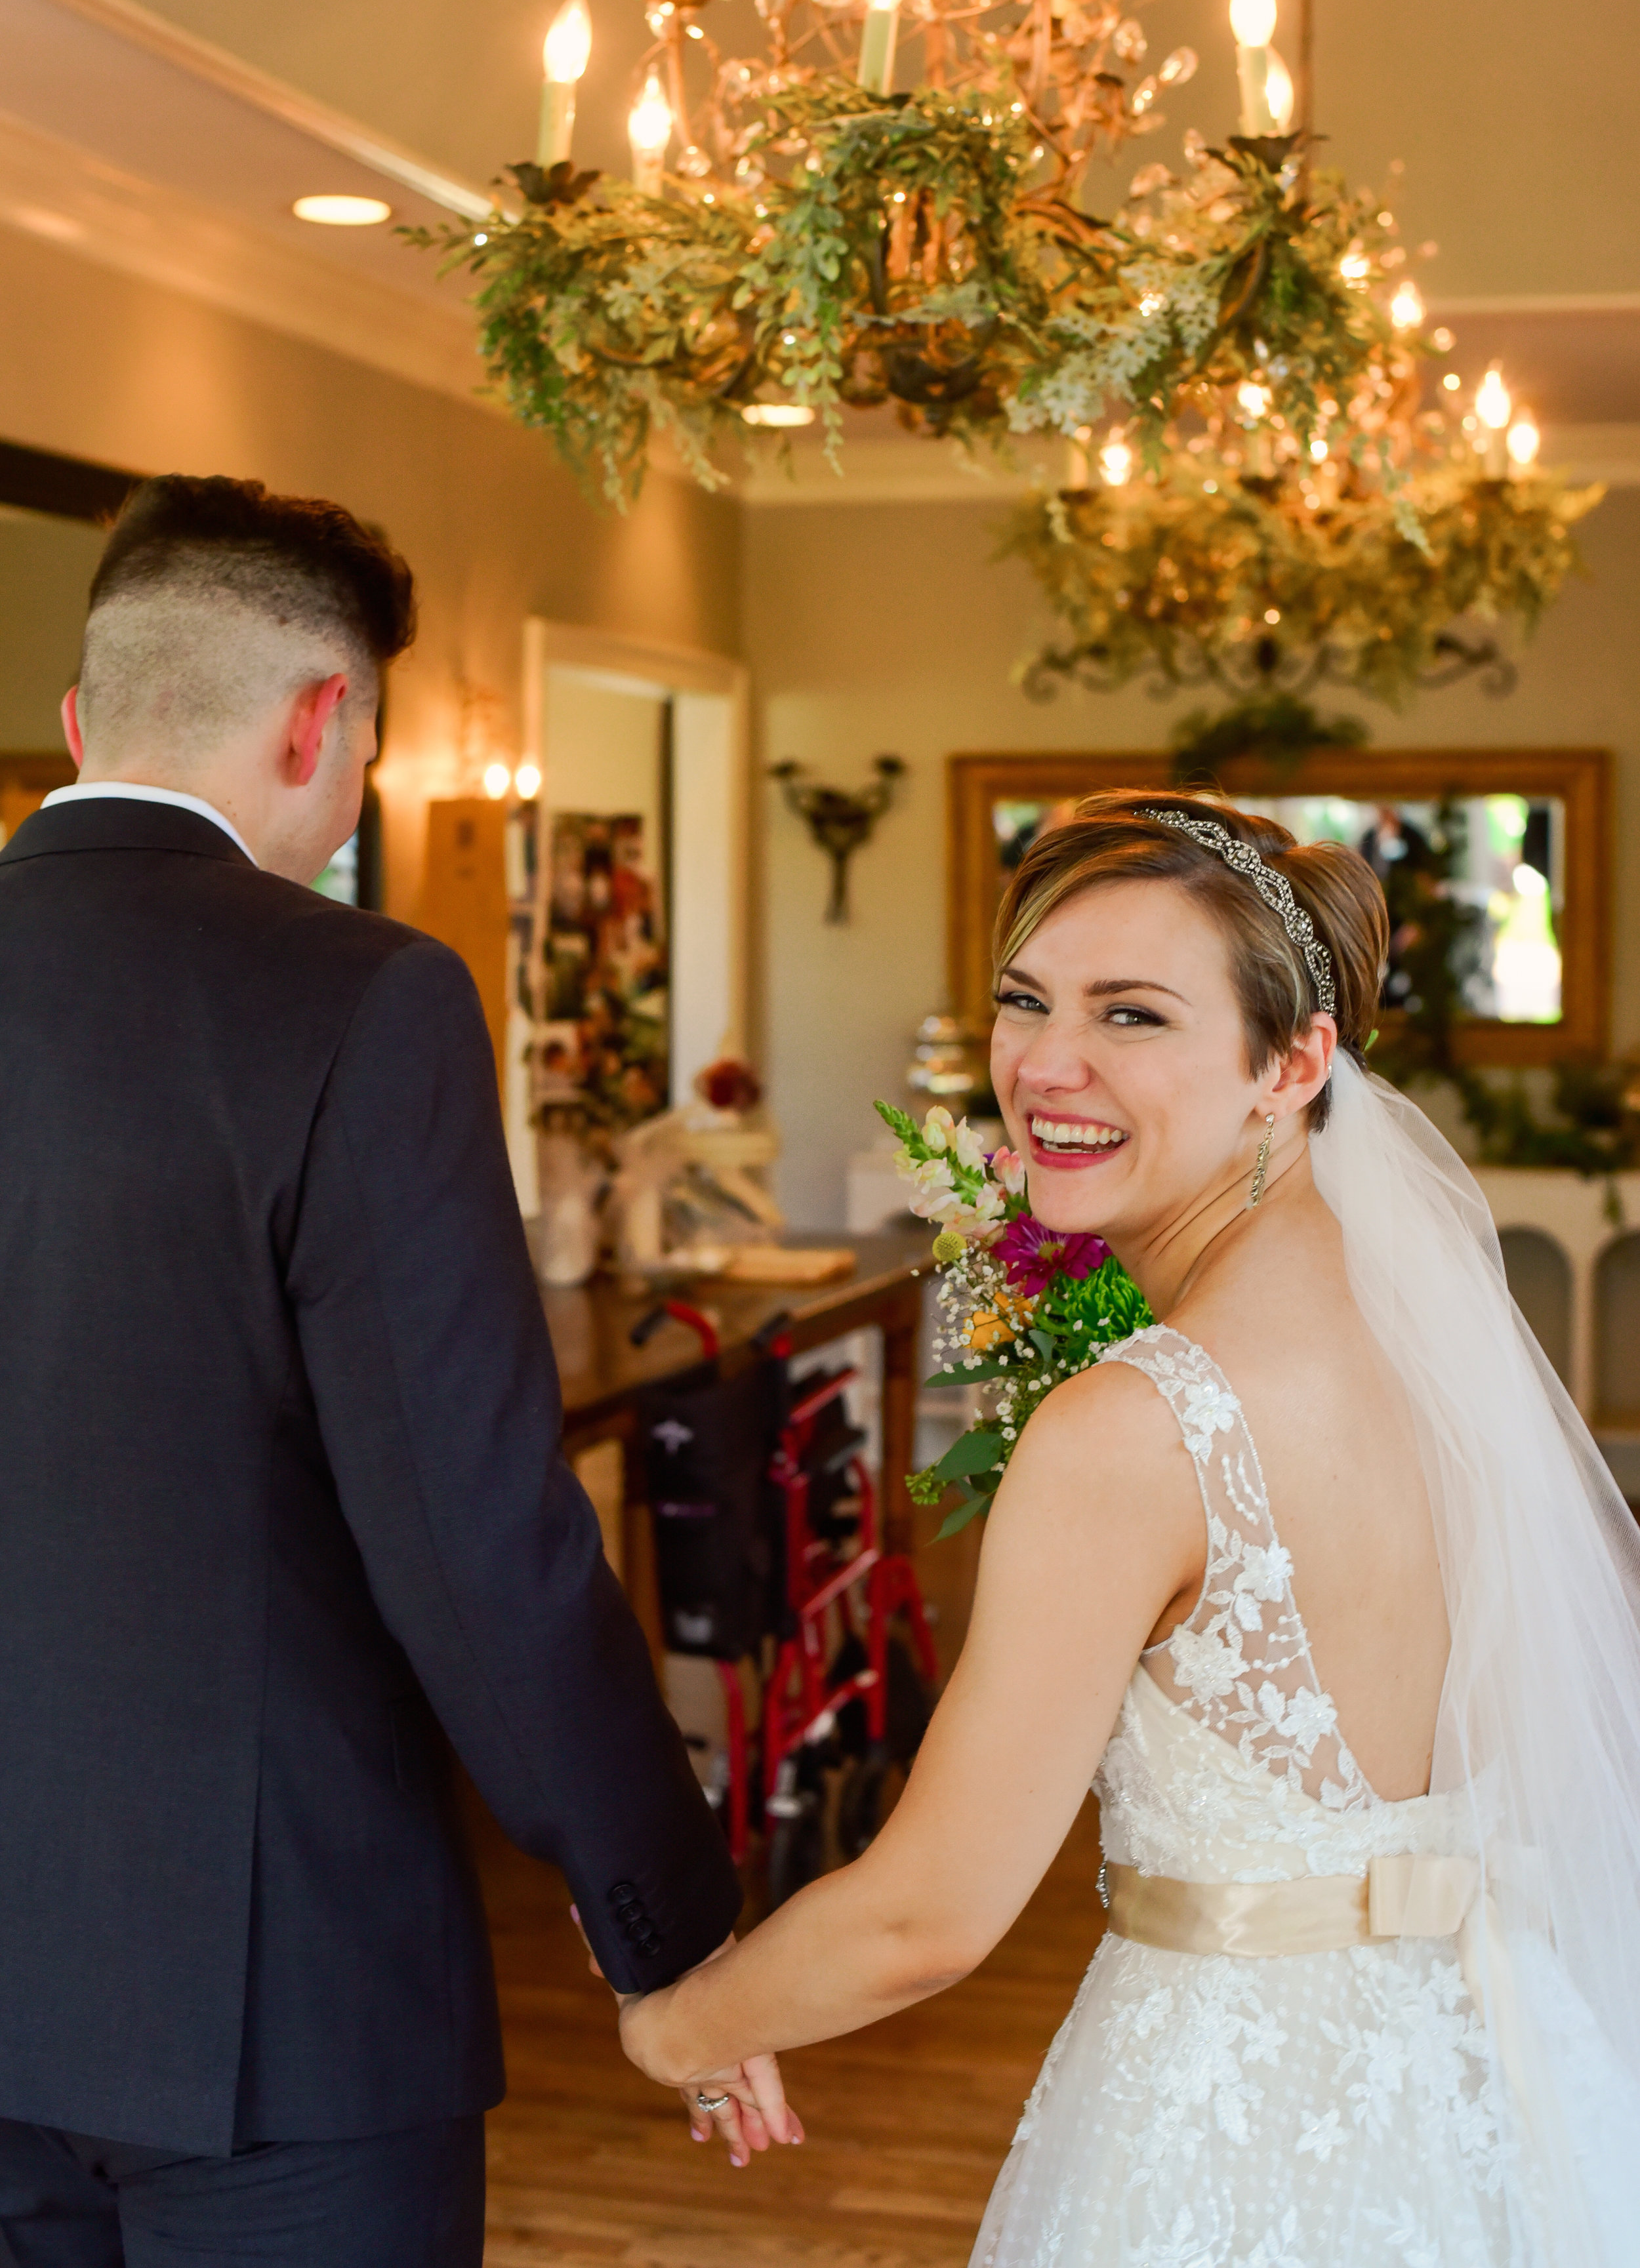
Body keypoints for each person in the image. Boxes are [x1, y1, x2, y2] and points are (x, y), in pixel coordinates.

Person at [617, 789, 1640, 2265]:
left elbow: (930, 1915)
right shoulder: (1434, 1344)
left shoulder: (1132, 1430)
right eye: (1023, 999)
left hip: (1239, 2141)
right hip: (1499, 2093)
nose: (1045, 1062)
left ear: (1291, 1063)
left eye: (1134, 1015)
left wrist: (675, 2027)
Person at [0, 474, 790, 2268]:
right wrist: (664, 1913)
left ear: (78, 721)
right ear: (319, 721)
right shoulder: (360, 995)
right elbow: (472, 1537)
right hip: (271, 1988)